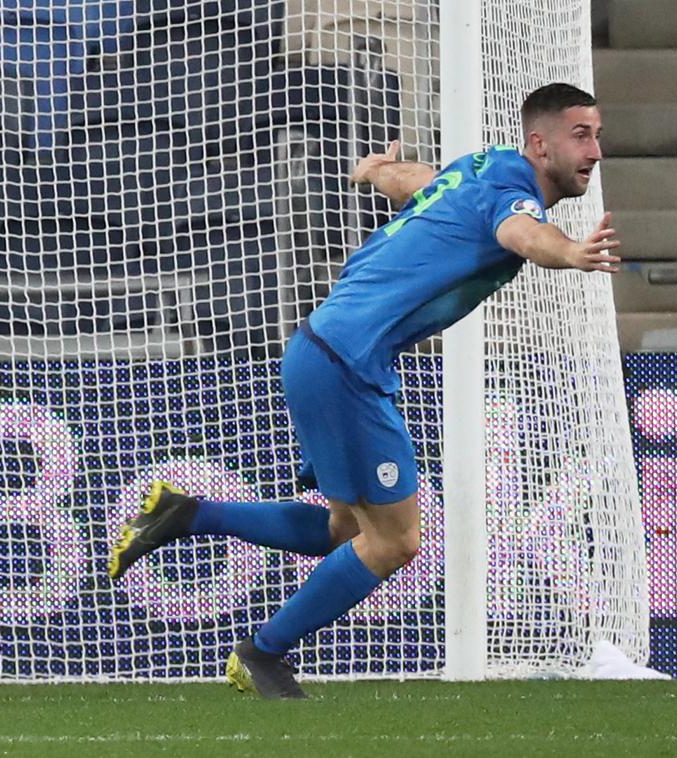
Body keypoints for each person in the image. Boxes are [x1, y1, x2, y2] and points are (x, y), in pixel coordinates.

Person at [107, 82, 620, 699]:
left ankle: (187, 513)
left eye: (596, 134)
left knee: (345, 527)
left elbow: (422, 183)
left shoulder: (485, 167)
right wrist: (573, 253)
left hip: (320, 350)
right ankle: (263, 652)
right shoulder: (513, 197)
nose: (595, 151)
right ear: (539, 143)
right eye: (581, 135)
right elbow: (525, 237)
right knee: (397, 539)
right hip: (348, 362)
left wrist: (379, 172)